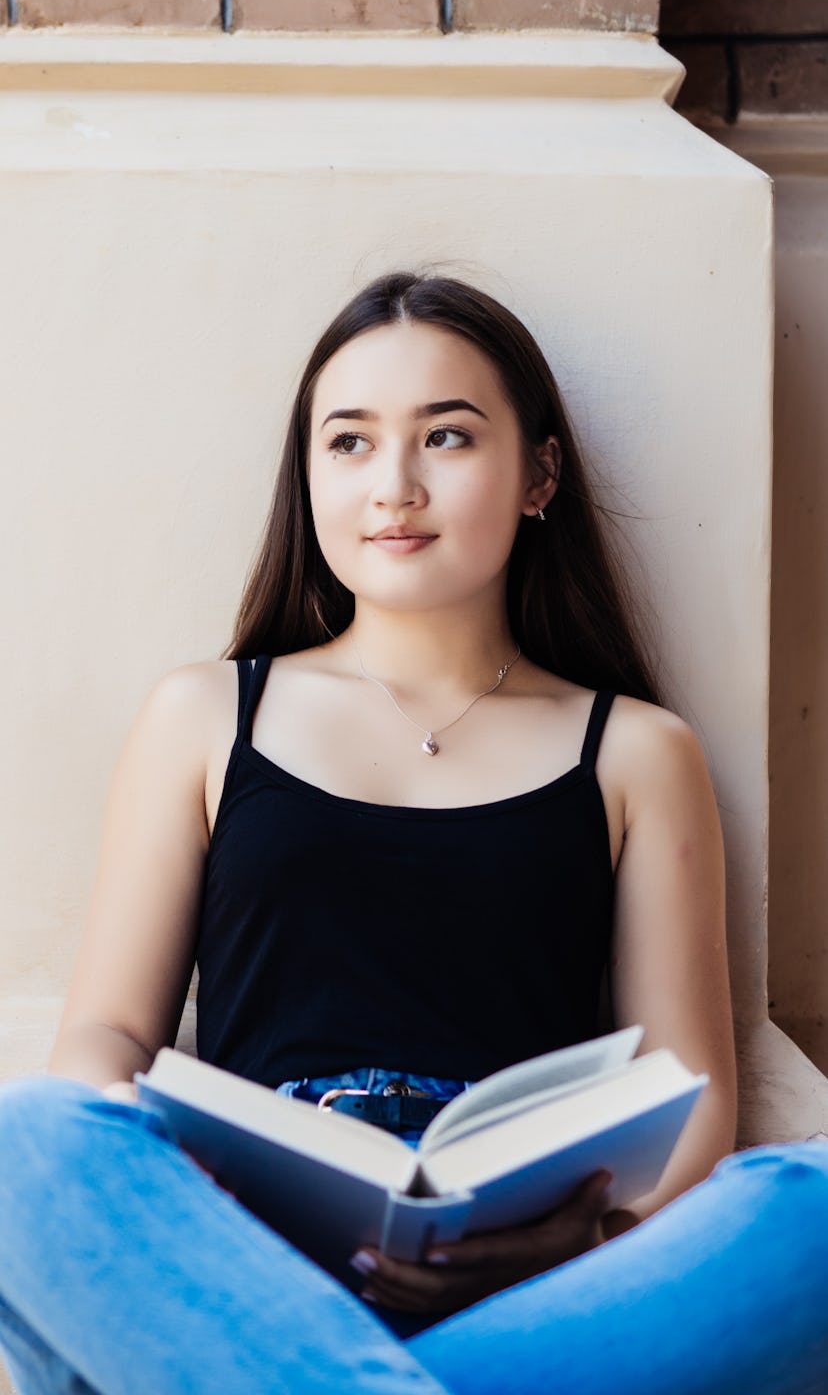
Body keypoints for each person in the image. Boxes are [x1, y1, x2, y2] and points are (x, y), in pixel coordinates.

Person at [0, 271, 825, 1395]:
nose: (394, 485)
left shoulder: (635, 751)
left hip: (536, 1270)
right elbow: (103, 1033)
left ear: (540, 473)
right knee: (31, 1136)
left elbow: (689, 1102)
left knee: (805, 1209)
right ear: (309, 477)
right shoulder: (203, 714)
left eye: (446, 436)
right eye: (348, 443)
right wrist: (203, 1198)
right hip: (243, 1257)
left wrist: (575, 1242)